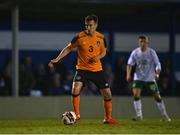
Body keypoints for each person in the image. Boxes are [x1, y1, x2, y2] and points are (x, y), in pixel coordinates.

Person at [48, 14, 118, 124]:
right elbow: (68, 48)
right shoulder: (79, 37)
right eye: (86, 25)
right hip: (82, 69)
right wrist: (57, 59)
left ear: (96, 25)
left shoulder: (101, 37)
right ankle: (77, 115)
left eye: (90, 25)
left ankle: (108, 118)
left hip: (97, 70)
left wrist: (98, 57)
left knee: (108, 94)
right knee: (75, 89)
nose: (88, 28)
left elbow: (104, 51)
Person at [126, 35, 171, 121]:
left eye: (144, 42)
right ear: (139, 43)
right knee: (136, 95)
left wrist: (157, 74)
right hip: (138, 77)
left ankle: (165, 116)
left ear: (147, 43)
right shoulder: (135, 52)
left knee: (157, 97)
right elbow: (129, 64)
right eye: (141, 42)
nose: (143, 43)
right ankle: (139, 115)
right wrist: (128, 74)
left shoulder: (151, 52)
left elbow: (158, 64)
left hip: (150, 78)